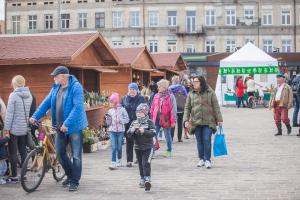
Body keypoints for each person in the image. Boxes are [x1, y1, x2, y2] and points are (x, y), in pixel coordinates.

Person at [30, 65, 88, 191]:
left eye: (55, 76)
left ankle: (74, 181)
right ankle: (70, 174)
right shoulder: (56, 88)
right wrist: (35, 116)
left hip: (74, 126)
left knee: (76, 155)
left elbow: (77, 108)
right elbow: (46, 103)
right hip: (59, 126)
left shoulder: (76, 87)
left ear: (63, 76)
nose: (53, 79)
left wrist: (66, 124)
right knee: (60, 153)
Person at [183, 76, 223, 169]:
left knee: (206, 140)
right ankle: (201, 158)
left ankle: (207, 160)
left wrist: (219, 119)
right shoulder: (191, 94)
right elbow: (187, 108)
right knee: (199, 141)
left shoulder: (210, 92)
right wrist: (185, 120)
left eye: (196, 81)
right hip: (196, 121)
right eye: (193, 81)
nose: (194, 83)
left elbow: (216, 106)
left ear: (201, 82)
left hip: (208, 121)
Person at [3, 75, 33, 183]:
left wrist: (6, 128)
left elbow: (9, 114)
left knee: (13, 153)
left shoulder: (13, 95)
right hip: (24, 128)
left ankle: (15, 175)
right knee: (23, 151)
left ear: (15, 84)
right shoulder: (29, 95)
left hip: (14, 129)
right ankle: (23, 175)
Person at [127, 103, 155, 191]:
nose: (138, 113)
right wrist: (131, 131)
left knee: (146, 163)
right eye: (137, 112)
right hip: (137, 147)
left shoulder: (149, 122)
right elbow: (128, 135)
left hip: (148, 147)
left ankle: (147, 179)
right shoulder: (134, 122)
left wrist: (144, 131)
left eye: (141, 112)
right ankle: (142, 178)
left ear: (146, 112)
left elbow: (153, 133)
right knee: (140, 163)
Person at [121, 83, 146, 167]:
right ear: (128, 90)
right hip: (128, 124)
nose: (132, 91)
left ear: (137, 90)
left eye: (134, 89)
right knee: (129, 142)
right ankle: (129, 160)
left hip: (138, 123)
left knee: (139, 142)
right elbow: (121, 109)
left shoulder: (141, 98)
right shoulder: (124, 98)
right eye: (130, 89)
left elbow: (146, 110)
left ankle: (139, 158)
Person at [150, 79, 177, 157]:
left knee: (167, 135)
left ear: (164, 87)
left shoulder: (170, 96)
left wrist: (173, 120)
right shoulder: (156, 95)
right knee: (154, 135)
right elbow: (152, 107)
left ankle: (169, 150)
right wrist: (151, 118)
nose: (158, 88)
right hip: (156, 119)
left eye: (159, 86)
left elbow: (173, 109)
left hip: (166, 119)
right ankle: (153, 151)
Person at [105, 93, 129, 170]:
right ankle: (113, 162)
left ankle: (119, 160)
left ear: (116, 102)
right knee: (114, 147)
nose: (110, 103)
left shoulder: (122, 109)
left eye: (111, 101)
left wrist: (121, 121)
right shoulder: (109, 111)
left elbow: (127, 119)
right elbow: (107, 122)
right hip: (112, 130)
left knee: (119, 147)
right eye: (110, 101)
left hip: (121, 131)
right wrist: (107, 119)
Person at [169, 75, 188, 142]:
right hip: (181, 108)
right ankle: (179, 138)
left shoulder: (170, 88)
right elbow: (186, 96)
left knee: (172, 122)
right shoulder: (182, 88)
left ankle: (171, 137)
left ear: (172, 81)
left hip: (172, 109)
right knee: (180, 123)